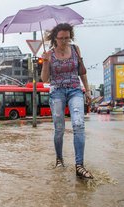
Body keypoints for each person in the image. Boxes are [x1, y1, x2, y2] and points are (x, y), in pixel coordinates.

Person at [40, 23, 93, 179]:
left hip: (75, 90)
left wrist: (87, 90)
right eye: (61, 38)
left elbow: (82, 72)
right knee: (59, 128)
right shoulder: (49, 53)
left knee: (78, 124)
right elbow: (44, 79)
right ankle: (59, 159)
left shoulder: (75, 49)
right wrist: (46, 62)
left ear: (71, 37)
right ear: (55, 38)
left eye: (67, 38)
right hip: (56, 92)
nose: (64, 41)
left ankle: (79, 166)